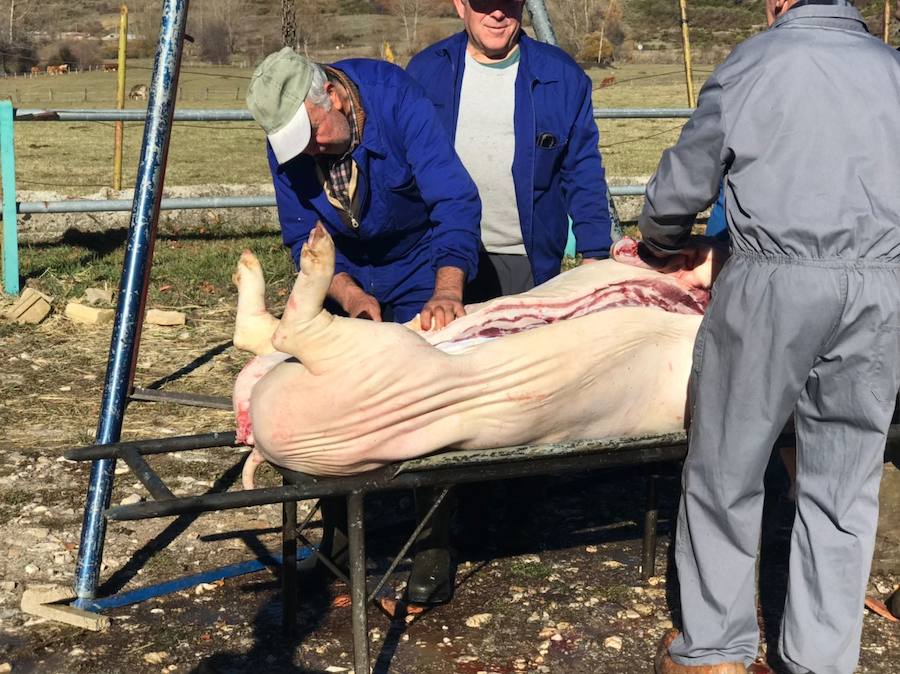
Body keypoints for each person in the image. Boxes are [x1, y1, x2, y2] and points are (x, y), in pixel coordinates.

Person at [638, 1, 900, 673]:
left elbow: (685, 180)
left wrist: (661, 240)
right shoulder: (892, 69)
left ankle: (716, 651)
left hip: (774, 281)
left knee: (726, 466)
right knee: (843, 484)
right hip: (879, 287)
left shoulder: (755, 62)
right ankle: (819, 659)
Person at [403, 0, 617, 607]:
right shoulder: (428, 71)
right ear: (459, 5)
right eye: (484, 4)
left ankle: (511, 514)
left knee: (524, 387)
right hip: (444, 260)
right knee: (438, 388)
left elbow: (582, 168)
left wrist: (597, 257)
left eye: (510, 4)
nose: (498, 15)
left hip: (527, 256)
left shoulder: (561, 76)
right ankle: (437, 539)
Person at [246, 47, 481, 330]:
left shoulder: (396, 98)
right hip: (345, 272)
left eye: (311, 133)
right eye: (295, 144)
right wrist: (351, 296)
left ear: (332, 95)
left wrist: (447, 291)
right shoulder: (289, 150)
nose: (308, 150)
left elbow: (452, 199)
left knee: (424, 355)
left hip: (417, 264)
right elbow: (301, 236)